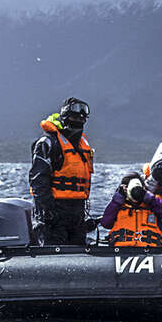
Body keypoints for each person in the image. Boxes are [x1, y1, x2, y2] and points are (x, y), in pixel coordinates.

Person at [28, 97, 94, 245]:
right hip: (54, 213)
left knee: (79, 255)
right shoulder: (49, 143)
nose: (80, 119)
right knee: (53, 254)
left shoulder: (82, 145)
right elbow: (38, 180)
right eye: (75, 116)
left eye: (83, 117)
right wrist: (47, 212)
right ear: (65, 116)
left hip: (77, 213)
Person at [100, 173, 162, 247]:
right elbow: (106, 223)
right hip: (120, 250)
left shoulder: (153, 205)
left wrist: (148, 197)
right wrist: (117, 200)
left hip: (151, 250)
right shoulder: (117, 206)